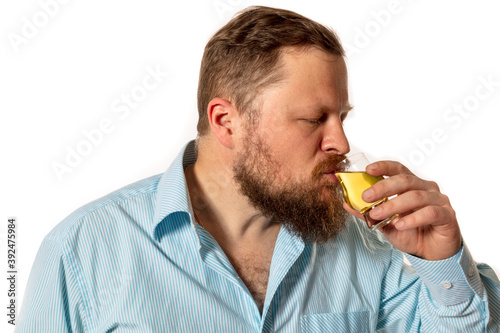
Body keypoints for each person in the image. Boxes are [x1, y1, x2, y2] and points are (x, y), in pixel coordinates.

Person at [16, 6, 500, 332]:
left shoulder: (367, 248)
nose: (341, 143)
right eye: (315, 119)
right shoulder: (81, 252)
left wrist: (441, 261)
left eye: (341, 117)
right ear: (227, 121)